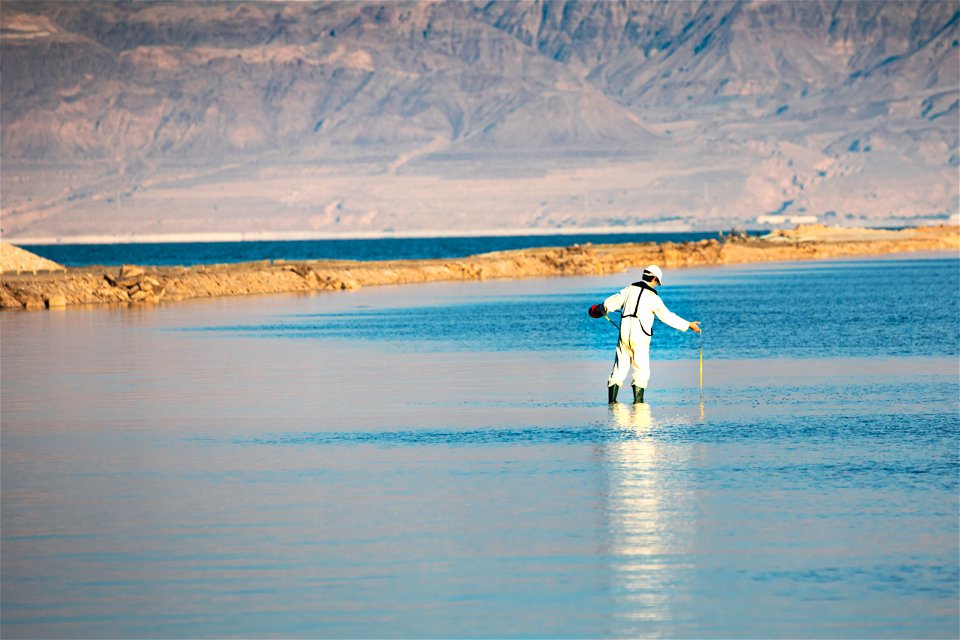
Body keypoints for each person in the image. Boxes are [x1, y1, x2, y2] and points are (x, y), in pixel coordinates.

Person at [589, 265, 701, 403]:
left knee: (619, 369)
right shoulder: (653, 297)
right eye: (657, 282)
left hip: (624, 334)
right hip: (640, 336)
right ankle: (638, 407)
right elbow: (667, 317)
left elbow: (608, 304)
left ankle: (612, 405)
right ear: (654, 279)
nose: (656, 285)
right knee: (641, 371)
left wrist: (598, 310)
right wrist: (688, 324)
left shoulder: (628, 290)